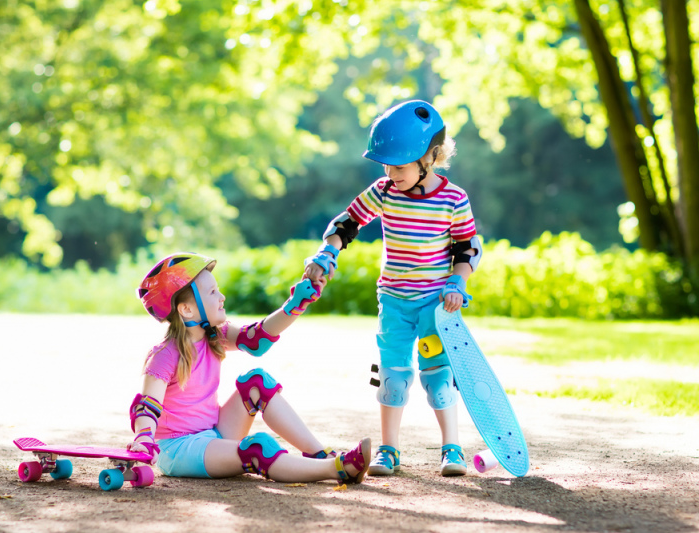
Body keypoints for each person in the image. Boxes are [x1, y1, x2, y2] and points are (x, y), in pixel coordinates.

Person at [304, 100, 482, 477]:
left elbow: (467, 248)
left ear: (430, 158)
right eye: (385, 165)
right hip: (395, 301)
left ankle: (452, 449)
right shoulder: (385, 191)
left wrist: (457, 281)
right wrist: (326, 254)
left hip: (436, 305)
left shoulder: (454, 199)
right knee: (393, 375)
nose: (390, 172)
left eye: (398, 166)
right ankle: (389, 450)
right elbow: (348, 221)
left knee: (437, 375)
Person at [127, 252, 371, 484]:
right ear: (187, 310)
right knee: (258, 448)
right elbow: (147, 406)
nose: (221, 297)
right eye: (212, 292)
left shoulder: (213, 335)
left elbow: (257, 339)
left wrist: (296, 303)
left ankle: (320, 455)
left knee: (257, 382)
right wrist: (144, 439)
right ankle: (337, 469)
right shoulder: (164, 355)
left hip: (214, 433)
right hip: (180, 448)